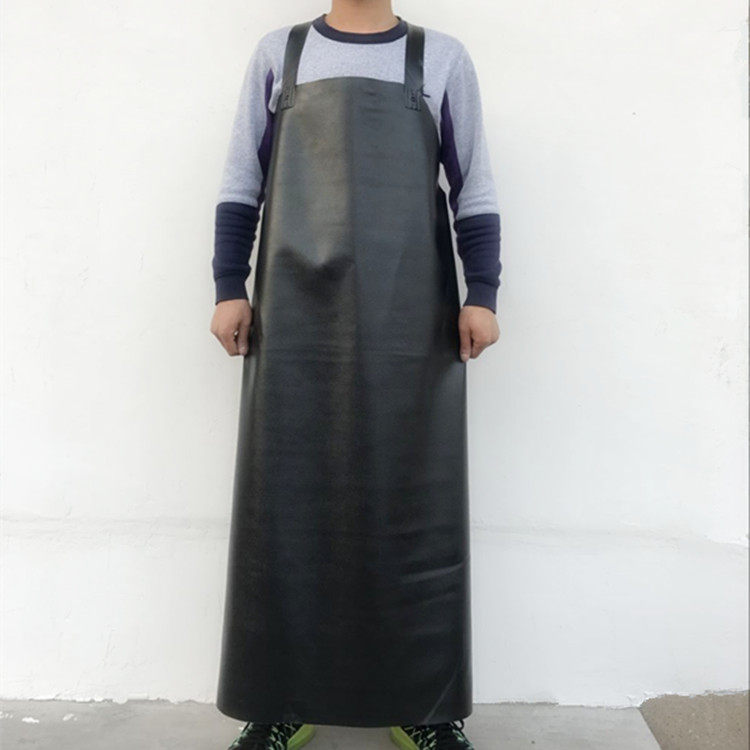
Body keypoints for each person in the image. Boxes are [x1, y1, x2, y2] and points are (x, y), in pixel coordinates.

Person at [210, 2, 502, 748]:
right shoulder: (281, 54)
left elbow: (473, 184)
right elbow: (243, 177)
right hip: (293, 313)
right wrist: (228, 285)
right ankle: (278, 699)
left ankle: (425, 705)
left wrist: (483, 293)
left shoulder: (442, 58)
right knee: (284, 507)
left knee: (417, 508)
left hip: (412, 316)